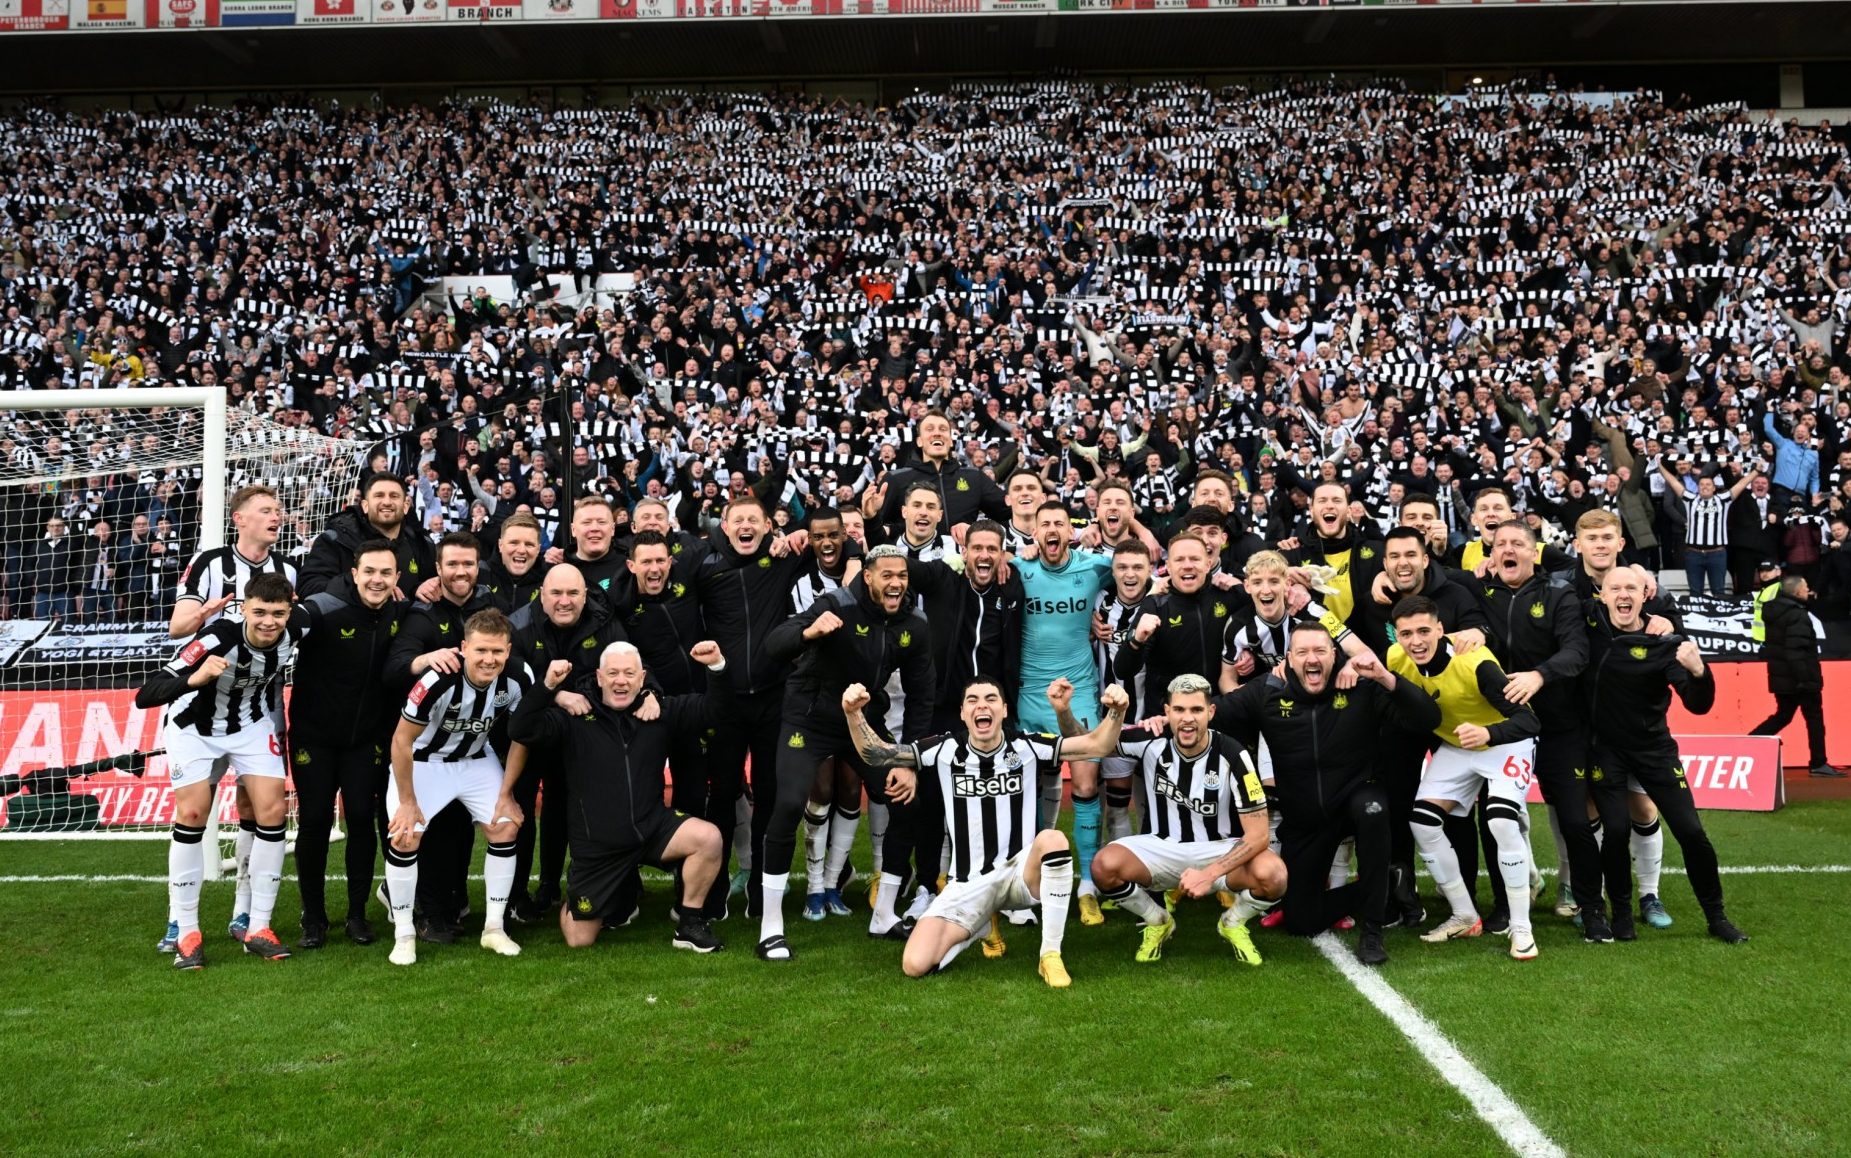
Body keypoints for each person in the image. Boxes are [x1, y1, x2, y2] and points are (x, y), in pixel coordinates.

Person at [843, 676, 1130, 986]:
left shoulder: (1027, 745)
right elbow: (877, 754)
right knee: (915, 964)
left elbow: (1097, 745)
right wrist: (853, 714)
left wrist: (1117, 711)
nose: (982, 705)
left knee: (1053, 839)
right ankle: (979, 925)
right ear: (964, 714)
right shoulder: (943, 749)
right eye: (973, 700)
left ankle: (1050, 954)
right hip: (967, 884)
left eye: (991, 699)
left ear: (1004, 710)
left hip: (1020, 876)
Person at [1209, 626, 1440, 965]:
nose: (1312, 659)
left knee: (1373, 809)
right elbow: (1213, 712)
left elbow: (1428, 718)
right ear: (1289, 659)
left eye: (1320, 651)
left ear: (1335, 655)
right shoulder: (1268, 690)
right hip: (1305, 816)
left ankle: (1372, 932)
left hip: (1355, 798)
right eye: (1302, 652)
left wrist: (1384, 677)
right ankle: (1388, 881)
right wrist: (1163, 719)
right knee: (1302, 921)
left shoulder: (1360, 686)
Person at [756, 545, 936, 960]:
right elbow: (774, 644)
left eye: (902, 576)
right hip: (809, 718)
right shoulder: (837, 602)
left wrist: (909, 761)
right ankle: (771, 927)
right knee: (787, 804)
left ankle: (884, 914)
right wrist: (809, 632)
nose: (896, 583)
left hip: (862, 725)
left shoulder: (915, 623)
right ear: (868, 576)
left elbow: (922, 695)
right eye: (887, 575)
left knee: (907, 801)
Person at [508, 641, 730, 954]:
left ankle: (690, 923)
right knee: (578, 939)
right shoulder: (574, 714)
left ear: (642, 679)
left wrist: (717, 666)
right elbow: (520, 728)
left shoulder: (658, 711)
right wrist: (549, 687)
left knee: (708, 837)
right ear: (599, 677)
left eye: (629, 673)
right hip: (599, 847)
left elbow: (715, 711)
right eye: (612, 673)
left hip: (652, 828)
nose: (620, 680)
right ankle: (586, 895)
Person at [134, 573, 308, 969]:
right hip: (194, 729)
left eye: (278, 613)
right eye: (259, 612)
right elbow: (146, 694)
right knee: (193, 813)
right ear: (243, 608)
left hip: (250, 725)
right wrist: (195, 678)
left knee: (273, 811)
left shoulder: (300, 624)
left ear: (290, 610)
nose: (268, 621)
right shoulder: (217, 638)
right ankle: (187, 929)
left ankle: (258, 927)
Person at [154, 484, 297, 954]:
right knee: (195, 810)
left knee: (259, 809)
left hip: (260, 702)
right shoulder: (210, 563)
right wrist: (210, 617)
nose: (276, 516)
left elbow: (304, 622)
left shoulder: (289, 569)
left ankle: (247, 914)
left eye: (279, 510)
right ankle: (180, 922)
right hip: (198, 698)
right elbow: (177, 628)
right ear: (239, 519)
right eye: (265, 510)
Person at [1584, 568, 1749, 943]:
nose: (1623, 595)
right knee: (1616, 831)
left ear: (1646, 596)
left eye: (1631, 588)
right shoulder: (1588, 626)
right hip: (1605, 749)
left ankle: (1717, 917)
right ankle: (1622, 913)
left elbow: (1699, 704)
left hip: (1654, 750)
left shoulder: (1665, 641)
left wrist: (1700, 671)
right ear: (1602, 594)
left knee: (1691, 832)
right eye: (1615, 588)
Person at [1084, 674, 1286, 966]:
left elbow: (1258, 836)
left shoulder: (1234, 753)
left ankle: (1232, 922)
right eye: (1179, 710)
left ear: (1211, 712)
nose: (1187, 719)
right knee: (1104, 867)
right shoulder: (1150, 740)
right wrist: (1069, 712)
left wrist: (1208, 874)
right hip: (1161, 847)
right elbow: (1090, 744)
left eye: (1196, 710)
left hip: (1219, 848)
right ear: (1166, 712)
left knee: (1275, 876)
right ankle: (1158, 920)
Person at [1387, 595, 1544, 960]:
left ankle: (1521, 927)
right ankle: (1464, 914)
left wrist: (1490, 735)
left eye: (1425, 630)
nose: (1416, 641)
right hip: (1458, 746)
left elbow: (1529, 720)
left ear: (1441, 630)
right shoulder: (1396, 658)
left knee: (1501, 822)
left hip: (1506, 741)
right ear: (1397, 636)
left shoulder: (1474, 661)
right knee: (1422, 823)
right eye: (1407, 633)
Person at [383, 608, 533, 966]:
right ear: (464, 647)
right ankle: (403, 933)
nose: (489, 659)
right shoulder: (437, 680)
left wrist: (506, 794)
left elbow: (521, 739)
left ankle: (494, 929)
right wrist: (407, 801)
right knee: (405, 835)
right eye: (481, 650)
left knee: (505, 826)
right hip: (425, 762)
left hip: (476, 759)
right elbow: (401, 741)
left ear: (508, 650)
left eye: (497, 651)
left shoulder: (519, 677)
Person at [290, 539, 412, 948]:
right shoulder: (325, 608)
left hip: (367, 739)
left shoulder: (402, 614)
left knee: (362, 818)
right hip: (315, 736)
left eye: (386, 573)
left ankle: (357, 915)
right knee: (314, 822)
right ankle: (314, 916)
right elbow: (289, 622)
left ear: (397, 578)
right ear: (354, 574)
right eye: (370, 572)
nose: (377, 580)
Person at [383, 531, 502, 943]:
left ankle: (452, 903)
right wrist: (425, 658)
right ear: (438, 569)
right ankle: (428, 912)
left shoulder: (490, 607)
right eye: (452, 564)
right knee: (421, 830)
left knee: (461, 831)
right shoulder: (424, 613)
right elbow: (394, 668)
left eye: (468, 564)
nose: (460, 572)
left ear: (478, 567)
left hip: (473, 742)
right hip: (424, 743)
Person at [1013, 500, 1115, 918]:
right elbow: (962, 562)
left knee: (1087, 784)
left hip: (1080, 692)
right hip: (1030, 694)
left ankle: (1088, 883)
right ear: (1033, 533)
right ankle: (1035, 879)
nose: (1052, 530)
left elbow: (1144, 564)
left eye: (1059, 523)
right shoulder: (1020, 568)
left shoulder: (1093, 566)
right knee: (1031, 787)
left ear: (1070, 532)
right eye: (1044, 525)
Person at [507, 564, 621, 920]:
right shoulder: (519, 625)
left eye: (573, 593)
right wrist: (555, 695)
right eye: (556, 593)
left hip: (577, 734)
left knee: (562, 810)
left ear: (585, 596)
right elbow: (508, 677)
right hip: (526, 735)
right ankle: (514, 895)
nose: (564, 601)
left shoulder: (604, 623)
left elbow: (615, 672)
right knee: (521, 810)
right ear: (541, 595)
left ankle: (550, 886)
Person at [1093, 538, 1156, 843]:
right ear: (1113, 571)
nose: (1130, 574)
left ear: (1150, 571)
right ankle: (1115, 876)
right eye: (1122, 567)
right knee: (1117, 804)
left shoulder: (1162, 600)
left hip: (1152, 718)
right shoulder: (1099, 602)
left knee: (1152, 802)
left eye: (1137, 567)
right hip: (1112, 721)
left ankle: (1153, 876)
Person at [1750, 574, 1841, 777]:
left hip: (1782, 677)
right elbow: (1796, 651)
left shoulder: (1774, 612)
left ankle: (1749, 743)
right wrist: (1805, 680)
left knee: (1782, 716)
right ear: (1798, 591)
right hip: (1800, 679)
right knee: (1814, 720)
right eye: (1806, 586)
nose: (1808, 590)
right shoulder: (1797, 615)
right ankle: (1819, 763)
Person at [299, 472, 435, 599]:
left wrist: (417, 590)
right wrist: (363, 590)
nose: (387, 502)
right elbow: (307, 587)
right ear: (365, 505)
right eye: (379, 495)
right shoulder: (336, 539)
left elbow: (429, 586)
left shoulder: (420, 543)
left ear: (406, 506)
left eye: (394, 496)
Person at [1659, 460, 1756, 599]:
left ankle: (1719, 620)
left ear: (1714, 487)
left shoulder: (1723, 499)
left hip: (1716, 554)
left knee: (1719, 593)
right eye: (1702, 484)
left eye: (1708, 484)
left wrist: (1756, 471)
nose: (1705, 487)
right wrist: (1660, 466)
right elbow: (1673, 482)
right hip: (1694, 554)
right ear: (1697, 487)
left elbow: (1741, 484)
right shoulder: (1690, 499)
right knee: (1695, 594)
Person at [482, 511, 548, 612]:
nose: (521, 550)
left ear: (538, 549)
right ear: (500, 545)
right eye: (514, 543)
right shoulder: (480, 575)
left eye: (529, 544)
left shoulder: (549, 582)